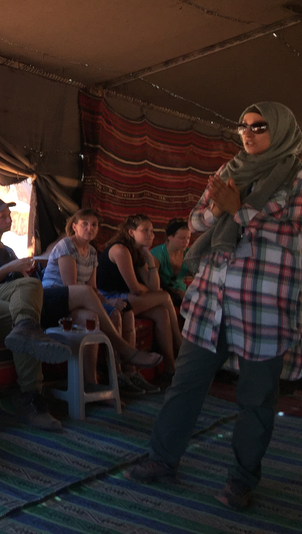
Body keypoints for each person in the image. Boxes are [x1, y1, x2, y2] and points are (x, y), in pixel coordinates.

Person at [127, 103, 302, 509]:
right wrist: (222, 208)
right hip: (213, 299)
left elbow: (291, 223)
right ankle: (162, 459)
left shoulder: (295, 175)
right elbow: (197, 222)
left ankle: (241, 480)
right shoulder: (230, 171)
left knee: (257, 399)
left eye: (259, 126)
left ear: (281, 129)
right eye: (243, 125)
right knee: (185, 384)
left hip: (265, 304)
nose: (249, 132)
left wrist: (236, 208)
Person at [0, 196, 77, 429]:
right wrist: (10, 268)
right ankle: (32, 396)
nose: (9, 219)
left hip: (13, 297)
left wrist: (22, 271)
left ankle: (28, 333)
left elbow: (21, 284)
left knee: (31, 295)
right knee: (28, 315)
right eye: (3, 216)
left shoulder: (9, 250)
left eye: (9, 215)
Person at [41, 208, 162, 394]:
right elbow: (70, 287)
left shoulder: (91, 252)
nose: (90, 228)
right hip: (55, 298)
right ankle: (124, 354)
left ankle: (118, 376)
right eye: (85, 224)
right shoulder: (66, 245)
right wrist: (103, 301)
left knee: (121, 312)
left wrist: (108, 302)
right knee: (92, 314)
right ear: (74, 226)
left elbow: (93, 289)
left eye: (94, 225)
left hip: (79, 299)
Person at [96, 214, 181, 377]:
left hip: (128, 297)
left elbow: (153, 286)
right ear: (131, 232)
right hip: (111, 298)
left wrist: (149, 258)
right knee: (164, 296)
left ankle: (170, 368)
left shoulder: (138, 251)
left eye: (152, 231)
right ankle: (179, 341)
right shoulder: (120, 250)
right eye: (145, 230)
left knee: (162, 313)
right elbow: (136, 288)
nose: (151, 234)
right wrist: (148, 291)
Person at [150, 218, 191, 307]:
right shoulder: (157, 254)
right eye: (181, 238)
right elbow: (150, 282)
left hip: (181, 290)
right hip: (161, 289)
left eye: (188, 238)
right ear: (170, 237)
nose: (186, 242)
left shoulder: (189, 253)